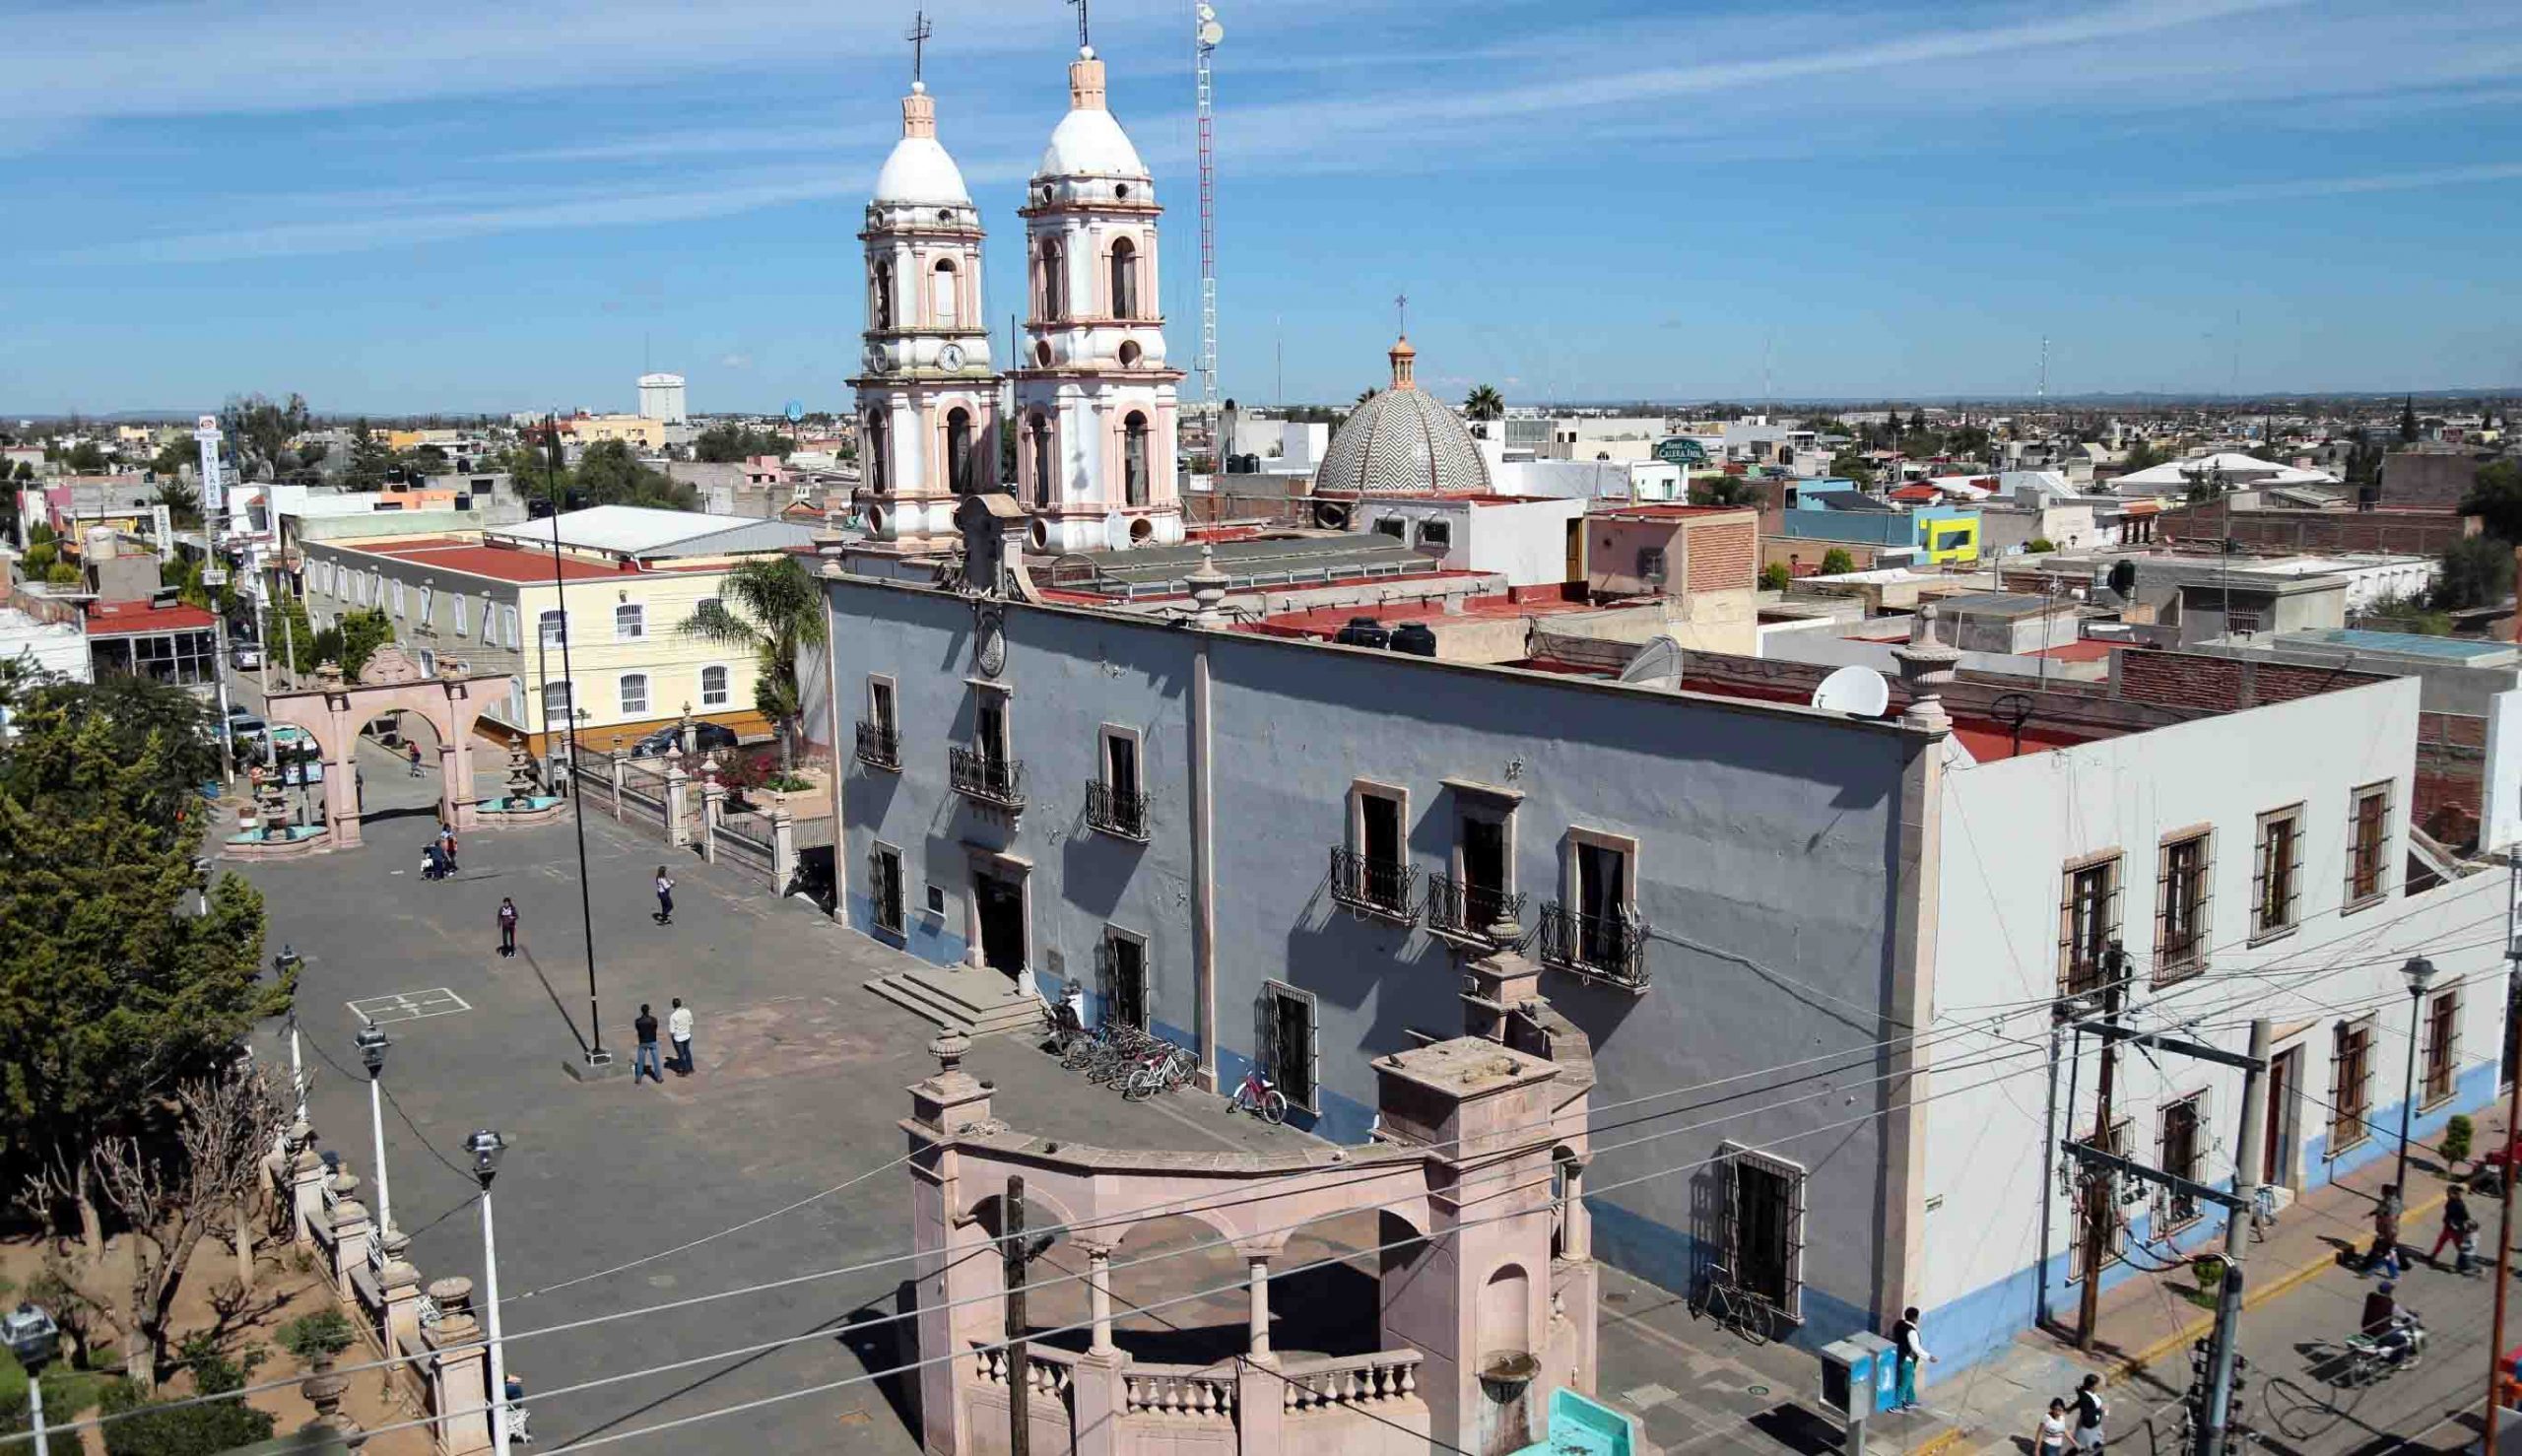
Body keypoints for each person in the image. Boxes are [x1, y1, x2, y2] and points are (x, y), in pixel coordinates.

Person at [1890, 1306, 1933, 1412]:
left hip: (1898, 1356)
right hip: (1906, 1360)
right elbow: (1916, 1348)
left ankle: (1910, 1401)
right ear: (1914, 1318)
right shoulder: (1911, 1332)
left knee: (1909, 1380)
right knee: (1904, 1383)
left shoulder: (1899, 1324)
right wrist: (1929, 1357)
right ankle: (1896, 1405)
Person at [2361, 1184, 2405, 1275]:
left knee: (2378, 1250)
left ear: (2386, 1193)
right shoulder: (2387, 1201)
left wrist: (2385, 1234)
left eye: (2382, 1190)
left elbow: (2390, 1220)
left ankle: (2368, 1268)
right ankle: (2398, 1270)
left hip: (2388, 1231)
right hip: (2386, 1231)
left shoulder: (2391, 1204)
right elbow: (2379, 1210)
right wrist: (2369, 1214)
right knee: (2388, 1251)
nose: (2381, 1192)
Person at [2430, 1185, 2475, 1271]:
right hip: (2448, 1227)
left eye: (2449, 1192)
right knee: (2441, 1242)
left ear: (2455, 1194)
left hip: (2455, 1229)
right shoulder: (2451, 1201)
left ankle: (2465, 1264)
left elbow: (2466, 1218)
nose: (2447, 1194)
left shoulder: (2459, 1205)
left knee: (2459, 1247)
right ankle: (2432, 1257)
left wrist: (2456, 1224)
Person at [2071, 1373, 2105, 1451]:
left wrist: (2070, 1409)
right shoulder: (2085, 1398)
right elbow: (2087, 1414)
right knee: (2088, 1440)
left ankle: (2090, 1445)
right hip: (2090, 1425)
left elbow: (2079, 1402)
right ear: (2091, 1386)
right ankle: (2088, 1447)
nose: (2098, 1386)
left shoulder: (2090, 1394)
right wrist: (2099, 1410)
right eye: (2097, 1384)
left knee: (2094, 1439)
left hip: (2095, 1422)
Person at [632, 1004, 663, 1086]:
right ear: (648, 1010)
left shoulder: (638, 1021)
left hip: (642, 1042)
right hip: (652, 1041)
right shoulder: (654, 1020)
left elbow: (638, 1029)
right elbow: (655, 1028)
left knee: (640, 1061)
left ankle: (638, 1078)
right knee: (656, 1060)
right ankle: (659, 1078)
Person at [668, 996, 694, 1076]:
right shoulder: (687, 1011)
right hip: (687, 1035)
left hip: (679, 1038)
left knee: (681, 1055)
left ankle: (684, 1071)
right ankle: (691, 1068)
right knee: (687, 1052)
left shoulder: (673, 1016)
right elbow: (691, 1022)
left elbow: (672, 1031)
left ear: (673, 1005)